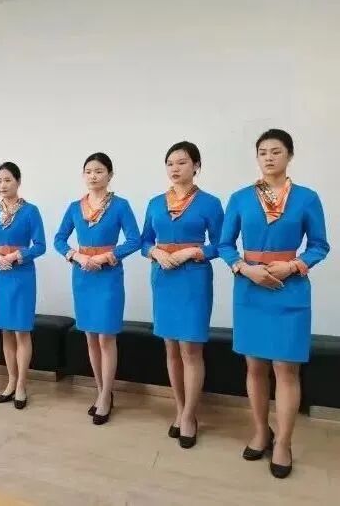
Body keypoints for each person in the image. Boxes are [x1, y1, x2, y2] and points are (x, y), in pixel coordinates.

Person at [219, 129, 329, 478]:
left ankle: (283, 441)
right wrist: (244, 268)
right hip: (250, 289)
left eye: (276, 151)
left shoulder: (307, 198)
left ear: (289, 156)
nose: (268, 157)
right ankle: (260, 431)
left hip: (289, 288)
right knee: (254, 366)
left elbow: (319, 246)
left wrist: (293, 265)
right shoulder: (240, 198)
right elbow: (224, 245)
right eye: (263, 152)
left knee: (286, 368)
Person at [141, 141, 223, 448]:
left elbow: (222, 244)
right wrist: (155, 252)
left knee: (191, 349)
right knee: (171, 348)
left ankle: (190, 415)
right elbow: (144, 241)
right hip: (163, 277)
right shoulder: (155, 203)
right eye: (170, 163)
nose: (175, 168)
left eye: (182, 162)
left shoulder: (210, 203)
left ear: (196, 166)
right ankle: (179, 408)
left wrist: (191, 251)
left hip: (193, 278)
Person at [54, 152, 141, 425]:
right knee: (91, 336)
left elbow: (135, 240)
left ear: (110, 175)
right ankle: (101, 390)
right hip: (83, 275)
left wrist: (106, 257)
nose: (93, 176)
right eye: (89, 171)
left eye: (99, 171)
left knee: (106, 337)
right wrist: (76, 256)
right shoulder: (74, 207)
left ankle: (106, 394)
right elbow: (58, 239)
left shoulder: (120, 205)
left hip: (108, 275)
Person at [0, 162, 46, 409]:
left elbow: (40, 245)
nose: (2, 185)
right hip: (0, 275)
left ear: (18, 181)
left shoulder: (31, 211)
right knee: (5, 330)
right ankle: (11, 381)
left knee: (21, 330)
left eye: (7, 180)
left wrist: (17, 256)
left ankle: (22, 385)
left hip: (22, 275)